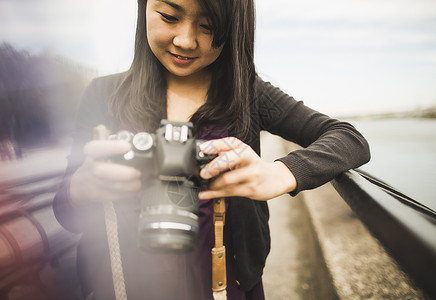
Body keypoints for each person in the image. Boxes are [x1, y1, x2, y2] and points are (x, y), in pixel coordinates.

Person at [53, 0, 370, 299]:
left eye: (209, 26)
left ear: (233, 29)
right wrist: (83, 187)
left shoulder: (246, 93)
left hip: (224, 281)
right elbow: (67, 214)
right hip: (125, 283)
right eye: (169, 17)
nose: (186, 41)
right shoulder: (103, 95)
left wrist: (278, 174)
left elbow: (348, 138)